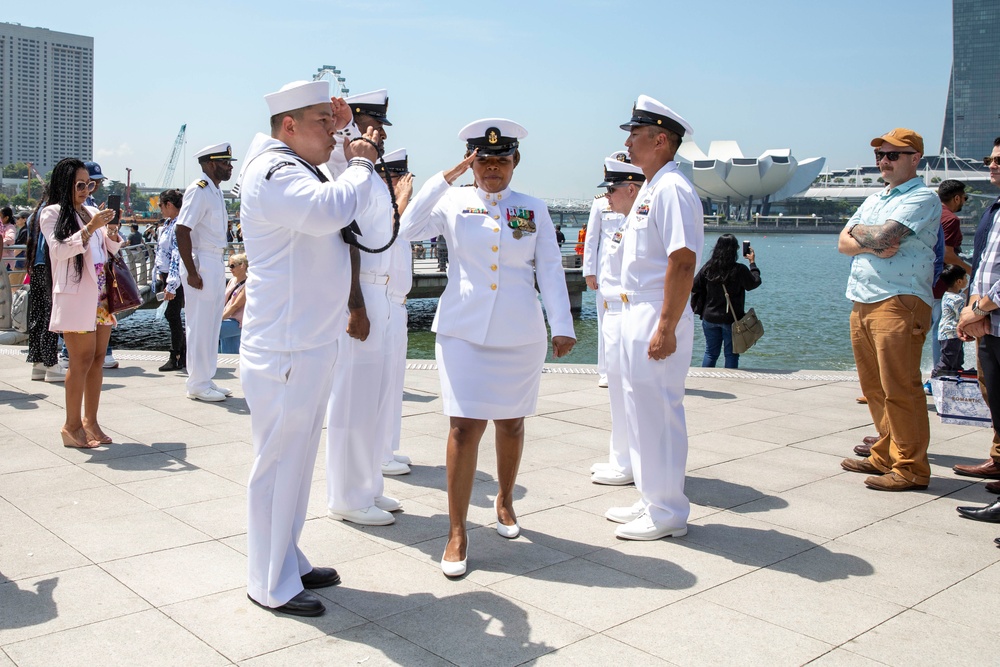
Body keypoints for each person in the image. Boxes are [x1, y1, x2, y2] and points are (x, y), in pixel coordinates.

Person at [399, 118, 576, 577]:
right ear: (472, 161)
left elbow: (551, 270)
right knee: (463, 427)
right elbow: (406, 226)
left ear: (515, 162)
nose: (493, 169)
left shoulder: (533, 208)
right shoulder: (452, 201)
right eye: (484, 160)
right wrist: (447, 176)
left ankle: (504, 498)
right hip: (463, 331)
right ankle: (457, 531)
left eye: (501, 160)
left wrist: (562, 324)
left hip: (520, 332)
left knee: (512, 422)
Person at [237, 79, 379, 617]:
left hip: (306, 342)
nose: (334, 129)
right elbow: (329, 211)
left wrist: (343, 142)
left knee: (295, 465)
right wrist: (362, 163)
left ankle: (286, 558)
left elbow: (334, 194)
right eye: (323, 121)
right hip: (286, 347)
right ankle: (268, 583)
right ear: (289, 126)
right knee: (277, 466)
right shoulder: (274, 172)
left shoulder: (297, 166)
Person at [603, 95, 703, 541]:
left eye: (635, 134)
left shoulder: (674, 189)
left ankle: (667, 512)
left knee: (659, 412)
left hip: (654, 309)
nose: (627, 141)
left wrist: (665, 325)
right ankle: (651, 499)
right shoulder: (653, 186)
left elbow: (682, 261)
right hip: (633, 307)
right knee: (638, 409)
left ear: (660, 140)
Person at [324, 92, 413, 527]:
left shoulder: (372, 172)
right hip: (359, 292)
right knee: (352, 400)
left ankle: (368, 487)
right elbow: (348, 235)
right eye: (370, 124)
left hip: (381, 293)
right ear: (351, 125)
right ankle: (346, 495)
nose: (377, 133)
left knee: (374, 400)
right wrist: (354, 303)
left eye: (379, 127)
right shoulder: (344, 166)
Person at [837, 128, 940, 492]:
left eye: (893, 155)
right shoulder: (875, 198)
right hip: (862, 299)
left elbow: (885, 237)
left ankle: (911, 467)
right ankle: (886, 452)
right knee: (874, 386)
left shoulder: (923, 197)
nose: (884, 161)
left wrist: (870, 240)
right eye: (880, 155)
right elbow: (843, 241)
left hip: (900, 300)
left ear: (915, 159)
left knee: (901, 387)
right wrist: (874, 243)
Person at [39, 158, 121, 448]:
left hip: (100, 294)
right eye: (80, 185)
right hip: (76, 294)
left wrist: (109, 232)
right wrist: (92, 227)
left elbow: (106, 248)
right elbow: (60, 250)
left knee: (98, 359)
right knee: (81, 360)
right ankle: (71, 426)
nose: (87, 190)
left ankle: (91, 421)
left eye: (89, 184)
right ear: (65, 185)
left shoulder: (89, 211)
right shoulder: (52, 213)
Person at [588, 155, 645, 486]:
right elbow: (596, 246)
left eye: (613, 188)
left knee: (633, 396)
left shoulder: (641, 219)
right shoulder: (625, 220)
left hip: (630, 310)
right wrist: (590, 272)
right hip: (614, 307)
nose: (607, 196)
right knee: (618, 395)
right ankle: (621, 459)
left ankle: (633, 465)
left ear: (631, 188)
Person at [952, 137, 1000, 497]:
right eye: (990, 158)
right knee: (993, 395)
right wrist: (971, 311)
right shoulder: (994, 209)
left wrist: (979, 309)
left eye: (999, 159)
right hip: (987, 321)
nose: (992, 165)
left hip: (990, 313)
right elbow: (982, 263)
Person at [175, 142, 236, 402]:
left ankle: (206, 378)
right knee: (199, 324)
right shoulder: (198, 190)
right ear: (211, 164)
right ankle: (197, 383)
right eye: (225, 162)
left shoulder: (215, 191)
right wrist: (191, 271)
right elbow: (182, 229)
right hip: (201, 261)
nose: (230, 167)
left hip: (213, 260)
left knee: (211, 324)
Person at [583, 151, 632, 388]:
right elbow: (591, 239)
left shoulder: (638, 200)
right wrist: (589, 272)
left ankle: (627, 366)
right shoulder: (601, 202)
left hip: (630, 269)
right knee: (605, 321)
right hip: (606, 271)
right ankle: (605, 370)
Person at [691, 234, 762, 369]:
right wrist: (752, 263)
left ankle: (705, 380)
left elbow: (694, 286)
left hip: (710, 317)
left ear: (717, 249)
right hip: (732, 319)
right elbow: (754, 283)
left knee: (711, 353)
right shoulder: (739, 269)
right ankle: (729, 381)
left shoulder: (708, 268)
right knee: (731, 354)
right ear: (735, 250)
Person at [25, 200, 67, 383]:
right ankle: (51, 364)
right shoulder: (53, 211)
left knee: (37, 316)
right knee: (51, 317)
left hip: (35, 266)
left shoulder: (36, 212)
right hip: (50, 268)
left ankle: (38, 363)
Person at [157, 189, 186, 372]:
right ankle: (181, 354)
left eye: (160, 205)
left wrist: (172, 285)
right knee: (172, 315)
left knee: (172, 315)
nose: (160, 209)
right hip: (167, 276)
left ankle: (176, 355)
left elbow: (177, 256)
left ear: (168, 204)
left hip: (174, 277)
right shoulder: (168, 224)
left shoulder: (177, 226)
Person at [931, 264, 968, 377]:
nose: (967, 279)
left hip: (949, 335)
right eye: (965, 277)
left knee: (957, 362)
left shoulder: (948, 295)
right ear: (959, 282)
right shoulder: (956, 300)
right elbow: (964, 314)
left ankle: (953, 383)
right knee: (947, 362)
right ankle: (934, 379)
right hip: (951, 335)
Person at [218, 252, 247, 354]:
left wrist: (218, 319)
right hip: (228, 318)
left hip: (237, 322)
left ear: (242, 266)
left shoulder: (247, 285)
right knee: (230, 351)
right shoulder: (232, 281)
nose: (230, 268)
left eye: (232, 266)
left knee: (212, 331)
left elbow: (236, 305)